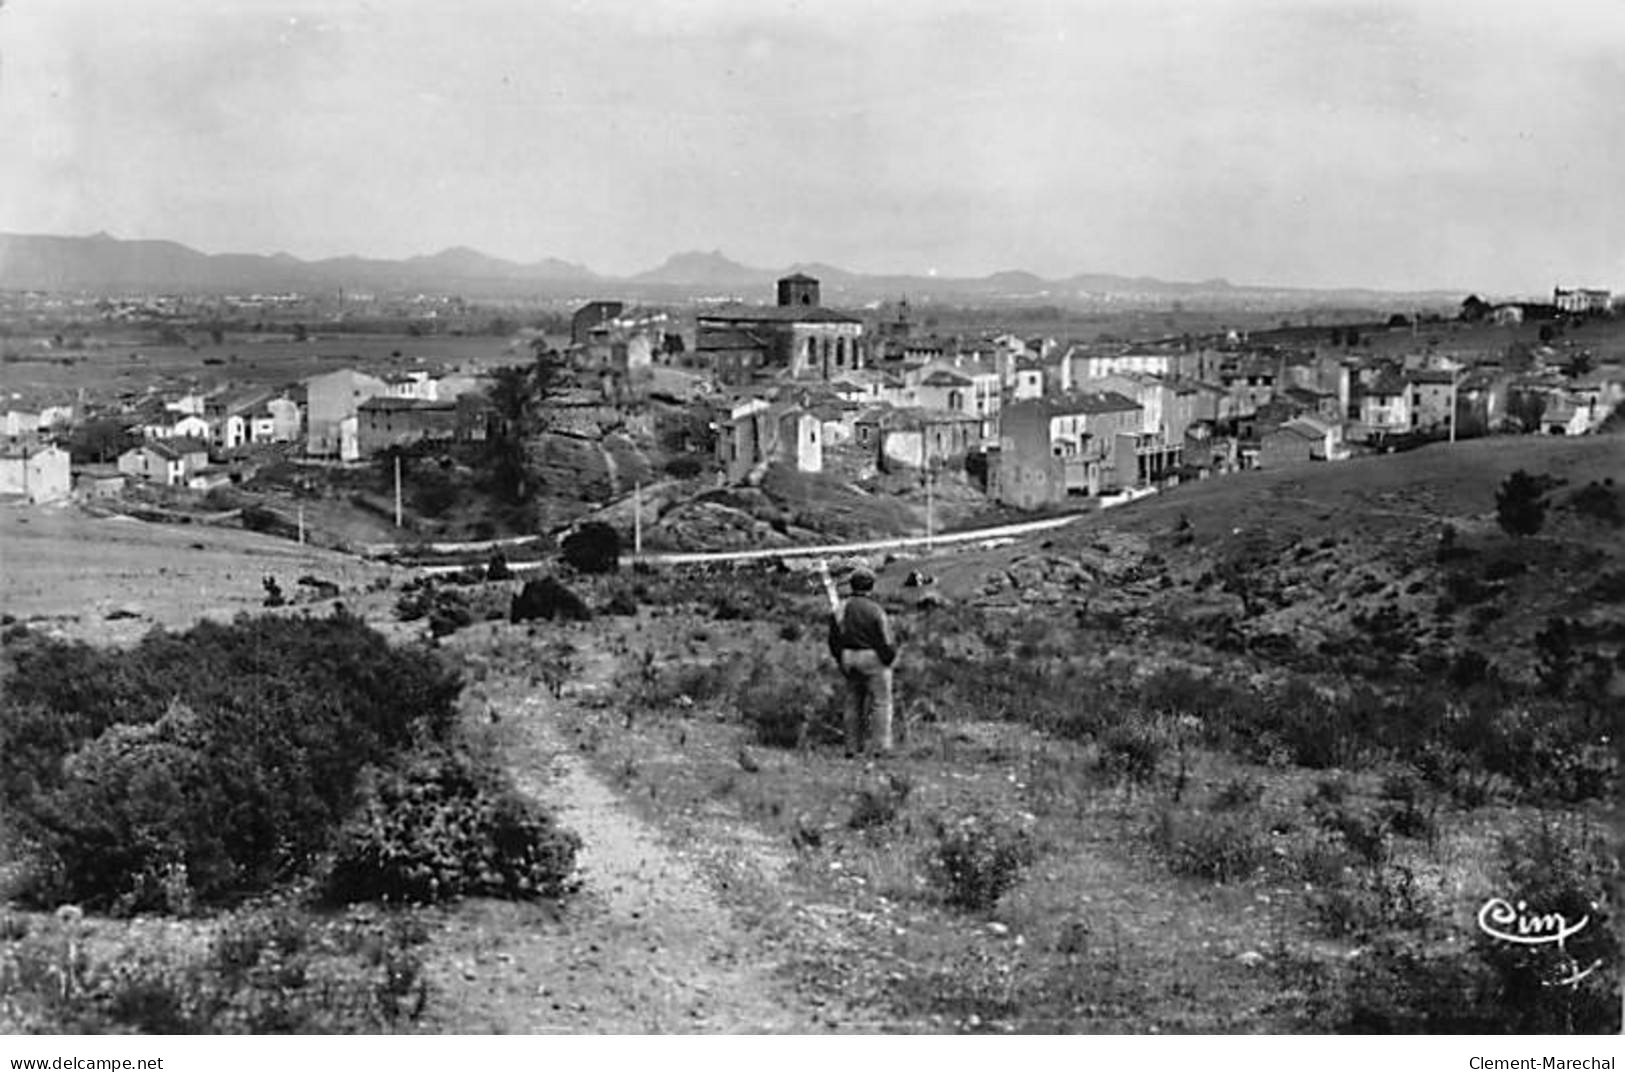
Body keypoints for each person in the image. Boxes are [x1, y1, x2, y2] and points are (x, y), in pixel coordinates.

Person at [827, 566, 897, 758]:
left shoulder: (840, 608)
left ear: (851, 585)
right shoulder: (876, 610)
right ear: (871, 587)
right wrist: (888, 659)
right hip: (872, 657)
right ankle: (880, 747)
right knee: (881, 702)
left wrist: (840, 659)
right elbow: (886, 640)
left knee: (852, 702)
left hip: (848, 657)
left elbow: (833, 638)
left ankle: (851, 748)